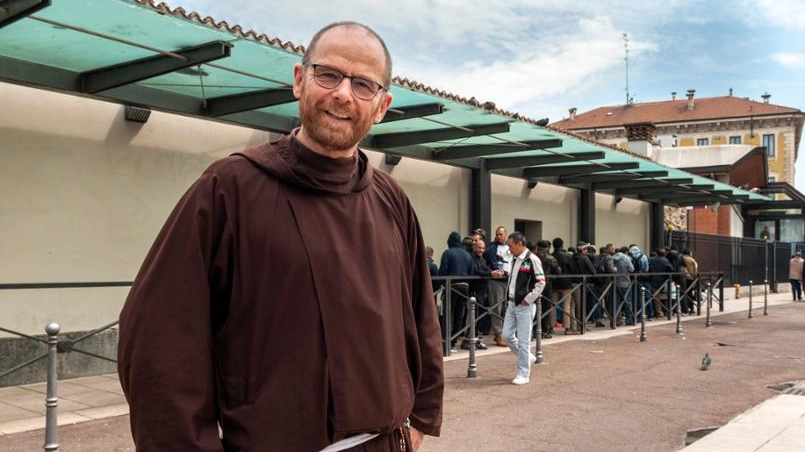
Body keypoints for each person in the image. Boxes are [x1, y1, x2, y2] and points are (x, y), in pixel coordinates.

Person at [117, 22, 443, 452]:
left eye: (363, 85)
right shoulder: (228, 190)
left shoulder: (392, 201)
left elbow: (421, 316)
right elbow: (160, 343)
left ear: (381, 106)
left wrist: (420, 415)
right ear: (298, 80)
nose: (343, 94)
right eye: (329, 75)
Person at [502, 232, 546, 385]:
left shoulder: (532, 260)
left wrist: (528, 299)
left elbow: (541, 282)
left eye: (510, 245)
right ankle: (527, 358)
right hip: (512, 303)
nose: (509, 248)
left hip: (524, 305)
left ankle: (523, 373)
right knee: (506, 335)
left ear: (519, 244)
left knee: (523, 340)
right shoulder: (514, 259)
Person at [439, 231, 473, 353]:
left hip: (451, 286)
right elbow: (471, 272)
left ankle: (445, 343)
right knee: (459, 315)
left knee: (448, 315)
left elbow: (442, 271)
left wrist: (442, 284)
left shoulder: (447, 253)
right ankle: (453, 342)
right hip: (465, 287)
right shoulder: (467, 255)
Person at [485, 226, 513, 347]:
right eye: (497, 234)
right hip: (496, 280)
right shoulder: (492, 248)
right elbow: (491, 264)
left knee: (506, 307)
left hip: (508, 280)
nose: (498, 236)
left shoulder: (510, 247)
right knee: (497, 307)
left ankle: (506, 333)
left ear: (505, 234)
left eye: (501, 234)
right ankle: (498, 333)